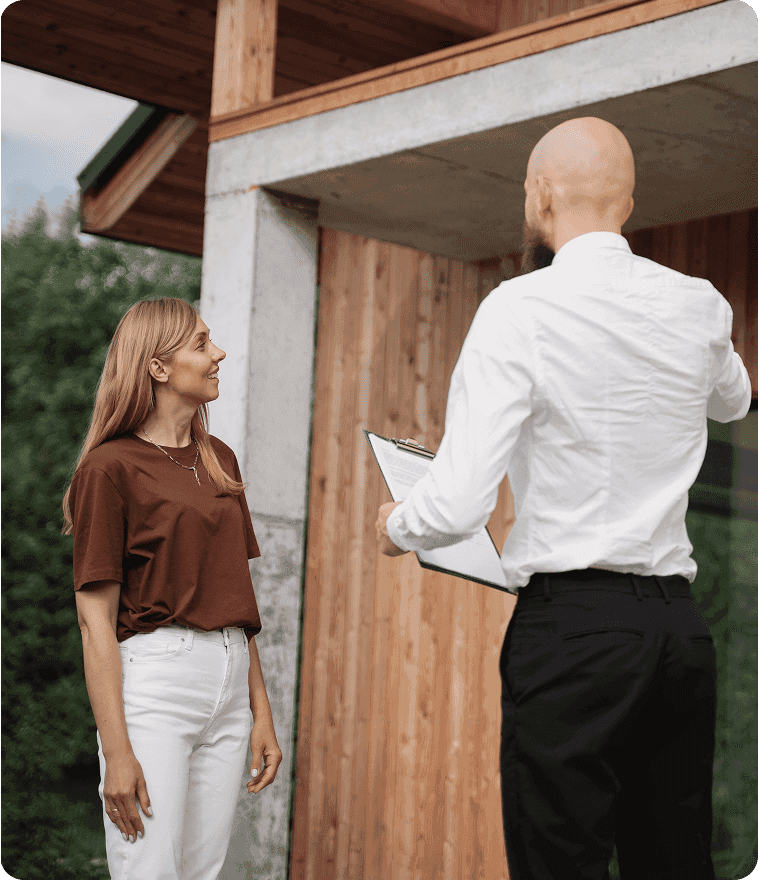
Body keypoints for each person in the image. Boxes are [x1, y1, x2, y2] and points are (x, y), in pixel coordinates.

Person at [375, 117, 752, 879]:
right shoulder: (700, 305)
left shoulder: (519, 310)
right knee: (675, 863)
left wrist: (395, 524)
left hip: (573, 632)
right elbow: (735, 400)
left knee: (560, 864)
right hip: (678, 634)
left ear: (539, 195)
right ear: (629, 201)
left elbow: (454, 508)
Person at [62, 297, 282, 880]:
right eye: (202, 344)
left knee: (203, 873)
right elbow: (94, 623)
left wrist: (260, 712)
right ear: (157, 367)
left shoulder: (219, 460)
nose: (219, 354)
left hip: (230, 682)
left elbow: (235, 596)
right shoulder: (109, 468)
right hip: (156, 683)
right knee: (149, 870)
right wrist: (117, 752)